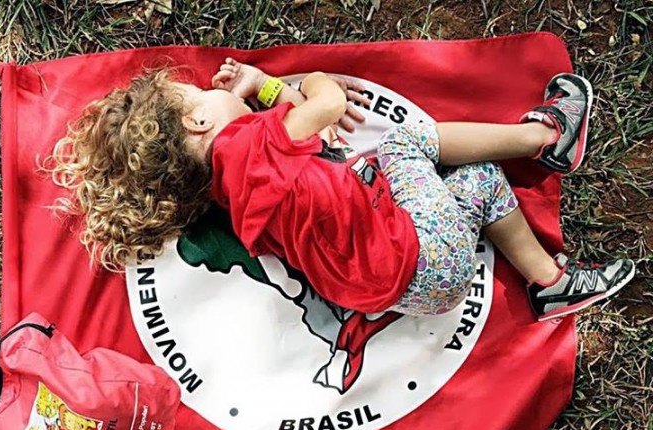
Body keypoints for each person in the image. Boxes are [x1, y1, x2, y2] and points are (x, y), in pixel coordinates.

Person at [50, 59, 635, 322]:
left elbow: (303, 145)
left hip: (393, 292)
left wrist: (266, 95)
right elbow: (326, 103)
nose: (214, 88)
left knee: (477, 180)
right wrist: (299, 83)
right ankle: (549, 137)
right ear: (200, 122)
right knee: (401, 145)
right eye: (202, 95)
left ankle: (552, 286)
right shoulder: (250, 145)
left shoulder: (229, 191)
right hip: (424, 258)